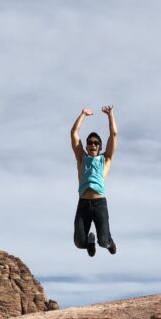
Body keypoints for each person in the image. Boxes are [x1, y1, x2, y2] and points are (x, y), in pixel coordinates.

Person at [70, 106, 117, 256]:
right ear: (86, 145)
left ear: (100, 146)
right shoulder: (82, 158)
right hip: (83, 203)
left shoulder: (105, 159)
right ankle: (90, 240)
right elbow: (74, 133)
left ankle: (109, 242)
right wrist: (82, 114)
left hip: (99, 204)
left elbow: (114, 134)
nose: (93, 145)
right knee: (78, 242)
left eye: (96, 143)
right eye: (90, 142)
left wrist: (110, 115)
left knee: (103, 242)